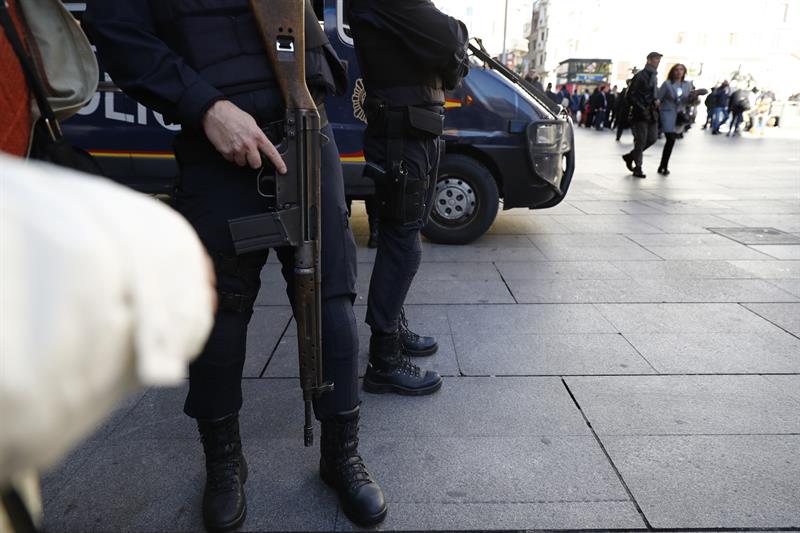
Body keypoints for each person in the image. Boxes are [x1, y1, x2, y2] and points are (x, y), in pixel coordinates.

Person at [83, 1, 387, 530]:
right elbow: (116, 31)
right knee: (217, 316)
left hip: (306, 131)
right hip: (213, 147)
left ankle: (341, 453)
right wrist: (205, 106)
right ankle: (225, 461)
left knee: (332, 306)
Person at [347, 0, 468, 396]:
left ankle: (392, 332)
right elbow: (450, 38)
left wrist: (448, 55)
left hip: (417, 131)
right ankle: (383, 360)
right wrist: (450, 50)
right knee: (403, 243)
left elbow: (450, 67)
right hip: (402, 136)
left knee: (405, 235)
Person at [622, 52, 661, 178]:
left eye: (659, 60)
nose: (658, 62)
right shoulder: (640, 76)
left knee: (652, 138)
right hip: (641, 113)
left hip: (652, 112)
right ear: (649, 60)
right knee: (641, 140)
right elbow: (630, 95)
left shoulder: (654, 76)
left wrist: (656, 101)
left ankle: (631, 156)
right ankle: (638, 167)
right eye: (656, 59)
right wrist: (642, 108)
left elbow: (654, 93)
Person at [656, 63, 693, 175]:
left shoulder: (687, 85)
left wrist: (694, 97)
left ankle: (663, 165)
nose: (679, 72)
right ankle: (664, 166)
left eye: (681, 69)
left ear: (684, 72)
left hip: (679, 115)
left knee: (671, 141)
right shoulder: (667, 84)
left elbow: (688, 101)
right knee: (670, 138)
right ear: (672, 71)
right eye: (676, 69)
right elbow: (658, 98)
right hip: (667, 113)